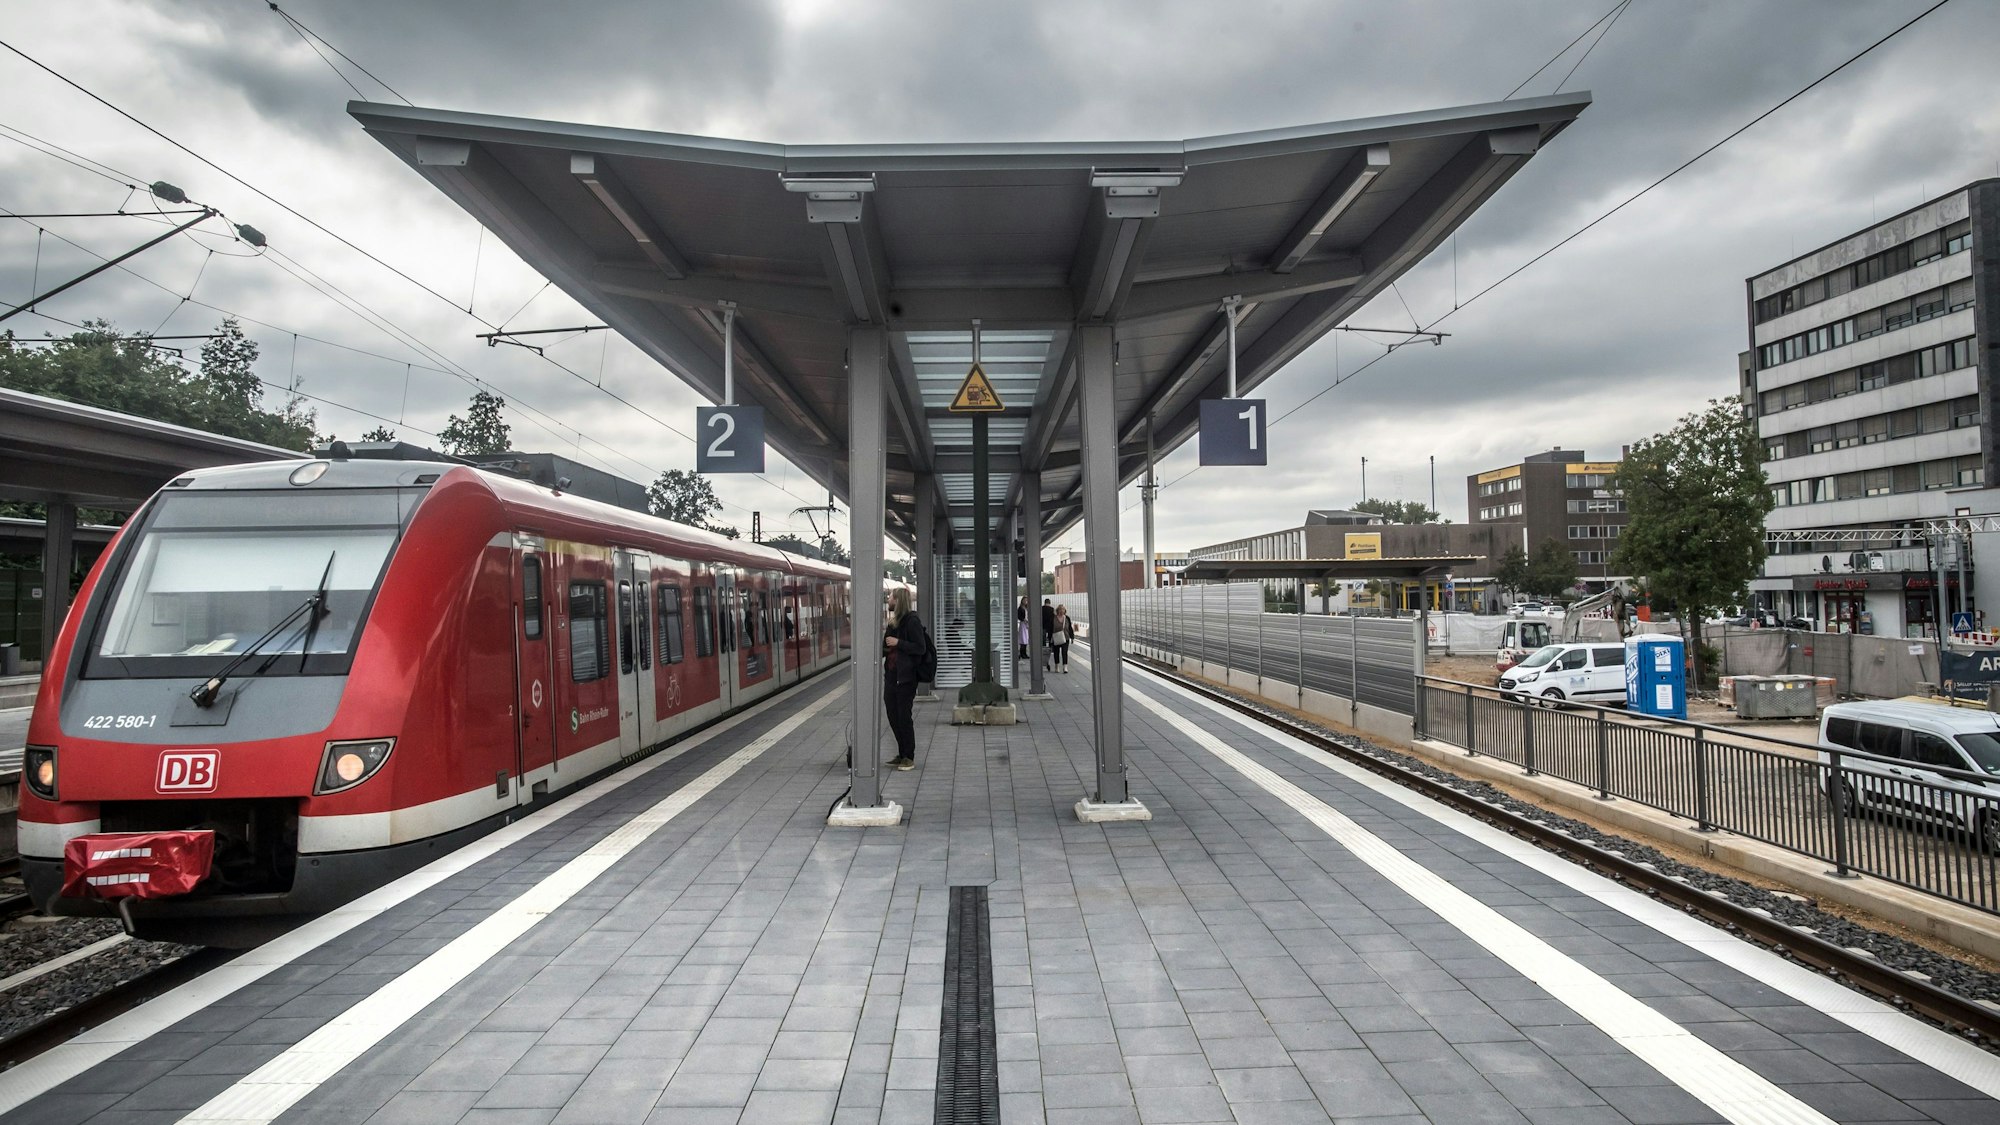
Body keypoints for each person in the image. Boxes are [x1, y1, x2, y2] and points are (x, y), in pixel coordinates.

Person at [882, 587, 929, 771]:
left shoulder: (912, 621)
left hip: (906, 677)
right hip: (892, 675)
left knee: (904, 716)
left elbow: (920, 647)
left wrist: (898, 643)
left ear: (898, 600)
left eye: (890, 597)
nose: (888, 599)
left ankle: (909, 756)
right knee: (893, 715)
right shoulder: (893, 623)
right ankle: (901, 753)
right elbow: (885, 646)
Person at [1051, 606, 1074, 673]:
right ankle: (1057, 666)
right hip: (1056, 637)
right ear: (1057, 610)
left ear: (1065, 611)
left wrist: (1072, 637)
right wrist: (1050, 638)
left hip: (1065, 637)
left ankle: (1065, 667)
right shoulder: (1053, 618)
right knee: (1056, 652)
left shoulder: (1067, 618)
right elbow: (1050, 628)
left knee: (1064, 652)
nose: (1061, 611)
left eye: (1063, 609)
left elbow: (1070, 628)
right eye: (1060, 609)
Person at [1041, 599, 1057, 671]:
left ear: (1045, 603)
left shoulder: (1041, 608)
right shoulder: (1052, 609)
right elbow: (1054, 617)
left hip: (1043, 626)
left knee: (1043, 638)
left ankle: (1043, 646)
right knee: (1050, 638)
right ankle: (1050, 648)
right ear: (1049, 603)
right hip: (1050, 627)